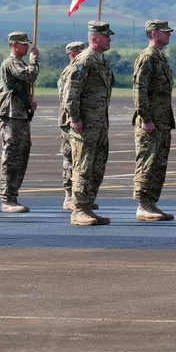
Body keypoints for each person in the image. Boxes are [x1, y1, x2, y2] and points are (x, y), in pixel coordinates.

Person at [63, 21, 115, 226]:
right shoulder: (84, 61)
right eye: (106, 36)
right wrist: (74, 118)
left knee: (97, 167)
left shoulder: (103, 61)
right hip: (85, 125)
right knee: (83, 166)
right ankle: (78, 210)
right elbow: (71, 92)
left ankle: (88, 205)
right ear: (94, 38)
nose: (110, 39)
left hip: (100, 124)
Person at [131, 20, 176, 222]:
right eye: (165, 32)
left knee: (158, 163)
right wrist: (145, 118)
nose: (169, 34)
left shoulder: (159, 57)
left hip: (162, 120)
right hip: (151, 122)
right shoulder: (148, 57)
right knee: (147, 162)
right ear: (154, 34)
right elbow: (139, 89)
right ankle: (143, 204)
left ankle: (151, 202)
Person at [0, 31, 40, 213]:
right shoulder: (11, 62)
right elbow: (29, 76)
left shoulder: (19, 63)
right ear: (14, 45)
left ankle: (13, 195)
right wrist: (34, 60)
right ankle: (7, 199)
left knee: (22, 156)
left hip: (20, 114)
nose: (27, 47)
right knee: (12, 156)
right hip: (11, 115)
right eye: (23, 44)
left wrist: (28, 102)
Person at [58, 41, 87, 210]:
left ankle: (79, 195)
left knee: (79, 158)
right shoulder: (70, 71)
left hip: (77, 119)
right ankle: (69, 196)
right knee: (69, 157)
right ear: (73, 54)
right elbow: (67, 98)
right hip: (68, 120)